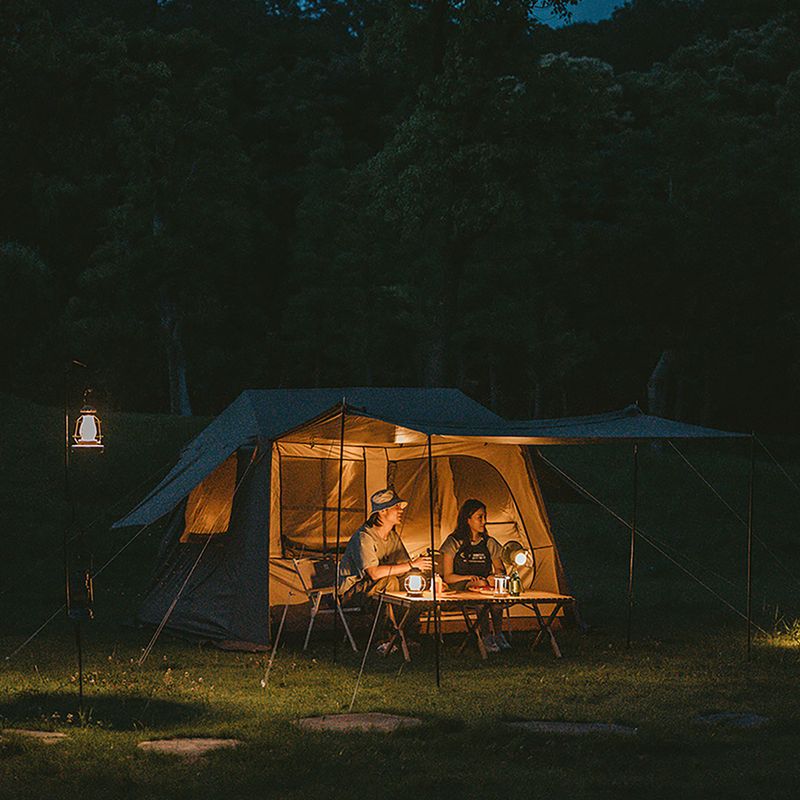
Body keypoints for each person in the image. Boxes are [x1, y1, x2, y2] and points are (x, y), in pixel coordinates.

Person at [338, 488, 432, 649]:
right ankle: (383, 639)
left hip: (377, 588)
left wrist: (428, 576)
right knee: (389, 582)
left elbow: (406, 566)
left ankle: (407, 634)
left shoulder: (393, 537)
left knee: (413, 585)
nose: (401, 510)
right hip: (353, 593)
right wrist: (411, 565)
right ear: (382, 512)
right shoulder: (365, 537)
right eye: (396, 507)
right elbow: (373, 573)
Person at [440, 498, 510, 653]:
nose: (484, 521)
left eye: (485, 517)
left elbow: (500, 568)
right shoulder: (454, 542)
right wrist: (468, 578)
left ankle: (498, 634)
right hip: (460, 588)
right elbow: (448, 576)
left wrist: (495, 576)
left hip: (485, 586)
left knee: (496, 600)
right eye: (480, 517)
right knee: (479, 598)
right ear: (468, 519)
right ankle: (485, 636)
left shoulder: (488, 543)